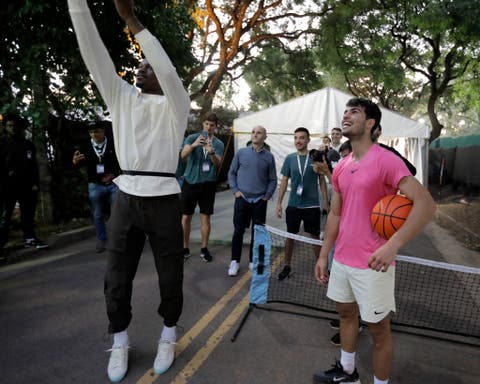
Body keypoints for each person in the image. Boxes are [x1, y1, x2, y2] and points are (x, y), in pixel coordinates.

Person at [68, 0, 191, 382]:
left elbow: (168, 70)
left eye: (146, 65)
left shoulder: (177, 105)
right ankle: (120, 339)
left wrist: (131, 19)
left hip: (165, 199)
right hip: (127, 197)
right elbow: (93, 53)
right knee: (116, 276)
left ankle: (168, 333)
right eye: (139, 65)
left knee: (170, 275)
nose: (141, 67)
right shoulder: (120, 97)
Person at [313, 98, 436, 384]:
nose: (346, 115)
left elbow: (426, 204)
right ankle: (347, 372)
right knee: (346, 314)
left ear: (370, 124)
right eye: (345, 111)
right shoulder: (342, 166)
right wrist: (323, 254)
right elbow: (335, 212)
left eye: (354, 112)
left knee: (378, 331)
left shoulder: (387, 160)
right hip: (342, 259)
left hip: (373, 263)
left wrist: (393, 245)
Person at [227, 125, 277, 276]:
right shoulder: (241, 153)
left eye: (259, 132)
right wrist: (236, 191)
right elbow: (231, 173)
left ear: (265, 137)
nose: (255, 135)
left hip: (259, 202)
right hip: (242, 200)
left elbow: (273, 180)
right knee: (238, 231)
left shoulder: (269, 156)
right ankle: (234, 262)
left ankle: (252, 261)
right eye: (253, 132)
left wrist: (266, 196)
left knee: (258, 233)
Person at [276, 127, 324, 280]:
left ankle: (320, 267)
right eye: (296, 138)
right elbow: (284, 181)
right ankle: (287, 266)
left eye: (302, 138)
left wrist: (326, 203)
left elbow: (322, 180)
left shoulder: (315, 157)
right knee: (290, 237)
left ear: (308, 140)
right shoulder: (290, 158)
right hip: (294, 205)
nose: (298, 141)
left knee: (314, 237)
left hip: (312, 206)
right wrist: (279, 203)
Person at [0, 113, 48, 257]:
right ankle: (1, 244)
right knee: (5, 216)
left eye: (15, 126)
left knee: (28, 214)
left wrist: (34, 183)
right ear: (5, 127)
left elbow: (33, 166)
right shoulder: (1, 144)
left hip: (26, 186)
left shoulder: (27, 144)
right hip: (7, 186)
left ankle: (30, 238)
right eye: (10, 126)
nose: (13, 128)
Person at [180, 113, 225, 262]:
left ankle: (204, 249)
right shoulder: (192, 138)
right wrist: (193, 146)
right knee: (186, 217)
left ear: (215, 126)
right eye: (206, 124)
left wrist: (211, 151)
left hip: (208, 184)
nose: (208, 127)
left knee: (205, 217)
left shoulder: (218, 144)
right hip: (190, 182)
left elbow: (218, 163)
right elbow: (183, 156)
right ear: (203, 124)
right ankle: (185, 248)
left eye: (212, 125)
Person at [72, 124, 120, 253]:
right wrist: (75, 162)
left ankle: (116, 239)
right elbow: (78, 163)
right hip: (95, 184)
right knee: (97, 214)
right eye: (91, 132)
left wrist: (114, 174)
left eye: (97, 132)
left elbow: (121, 161)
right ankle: (101, 239)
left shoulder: (113, 144)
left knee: (116, 211)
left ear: (103, 131)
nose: (94, 135)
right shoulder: (85, 146)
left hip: (113, 183)